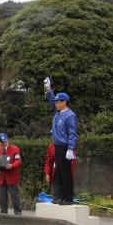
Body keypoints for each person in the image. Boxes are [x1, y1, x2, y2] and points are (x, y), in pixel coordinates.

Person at [45, 77, 78, 205]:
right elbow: (50, 99)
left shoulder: (70, 115)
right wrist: (48, 89)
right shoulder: (58, 112)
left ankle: (68, 198)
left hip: (65, 147)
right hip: (57, 146)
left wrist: (71, 148)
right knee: (58, 173)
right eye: (56, 101)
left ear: (64, 102)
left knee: (66, 174)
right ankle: (60, 197)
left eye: (58, 102)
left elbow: (72, 133)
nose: (56, 104)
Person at [44, 134, 76, 200]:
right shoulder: (51, 147)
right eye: (52, 136)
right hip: (54, 173)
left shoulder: (68, 147)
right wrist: (47, 173)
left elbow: (72, 162)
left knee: (64, 194)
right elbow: (48, 161)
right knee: (55, 193)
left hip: (65, 173)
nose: (53, 138)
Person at [0, 133, 23, 215]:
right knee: (2, 196)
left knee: (14, 195)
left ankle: (18, 212)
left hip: (12, 176)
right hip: (2, 176)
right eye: (1, 142)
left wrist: (12, 165)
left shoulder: (15, 149)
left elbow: (18, 160)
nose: (3, 143)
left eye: (4, 141)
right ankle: (3, 211)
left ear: (7, 140)